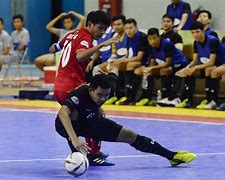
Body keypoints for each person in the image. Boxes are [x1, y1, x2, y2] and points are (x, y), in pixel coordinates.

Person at [55, 74, 196, 172]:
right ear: (91, 90)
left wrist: (98, 106)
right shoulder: (80, 94)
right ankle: (79, 152)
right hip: (66, 126)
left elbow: (112, 75)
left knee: (129, 135)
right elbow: (62, 112)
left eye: (106, 95)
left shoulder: (108, 85)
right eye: (99, 95)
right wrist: (74, 139)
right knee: (71, 113)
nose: (103, 98)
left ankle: (172, 156)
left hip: (90, 121)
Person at [50, 10, 118, 166]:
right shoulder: (86, 38)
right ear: (90, 24)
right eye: (100, 28)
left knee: (82, 118)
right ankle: (93, 154)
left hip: (59, 86)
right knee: (97, 116)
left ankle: (85, 152)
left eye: (104, 30)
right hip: (72, 85)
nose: (101, 32)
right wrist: (100, 45)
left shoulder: (71, 35)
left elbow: (53, 48)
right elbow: (80, 56)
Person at [129, 28, 188, 106]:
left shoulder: (167, 44)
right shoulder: (150, 46)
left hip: (179, 63)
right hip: (165, 64)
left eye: (154, 38)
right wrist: (148, 69)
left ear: (159, 37)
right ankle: (146, 97)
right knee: (144, 71)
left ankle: (170, 97)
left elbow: (168, 63)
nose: (152, 41)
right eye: (150, 39)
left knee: (164, 71)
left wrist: (152, 68)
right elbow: (152, 61)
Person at [175, 22, 225, 109]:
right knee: (189, 72)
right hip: (209, 65)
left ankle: (213, 100)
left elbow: (211, 62)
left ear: (203, 31)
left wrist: (194, 67)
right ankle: (189, 100)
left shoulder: (212, 41)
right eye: (193, 32)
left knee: (210, 70)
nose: (195, 35)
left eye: (197, 32)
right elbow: (195, 61)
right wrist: (187, 68)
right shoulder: (196, 43)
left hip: (220, 63)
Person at [88, 15, 128, 105]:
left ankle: (113, 94)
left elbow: (127, 53)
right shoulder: (112, 35)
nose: (117, 26)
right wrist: (94, 60)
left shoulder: (127, 36)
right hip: (113, 60)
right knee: (96, 69)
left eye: (119, 24)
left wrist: (114, 61)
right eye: (115, 24)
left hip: (123, 61)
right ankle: (99, 93)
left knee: (113, 68)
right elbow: (113, 52)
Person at [108, 18, 149, 105]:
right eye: (126, 28)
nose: (128, 31)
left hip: (145, 62)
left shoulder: (142, 37)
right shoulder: (129, 38)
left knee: (129, 66)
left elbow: (139, 57)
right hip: (134, 61)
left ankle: (131, 97)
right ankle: (118, 95)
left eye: (131, 28)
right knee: (115, 66)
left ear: (136, 27)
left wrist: (120, 60)